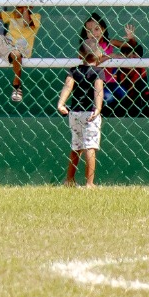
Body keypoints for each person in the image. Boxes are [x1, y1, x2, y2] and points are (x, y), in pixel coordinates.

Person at [56, 41, 105, 188]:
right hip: (90, 113)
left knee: (76, 146)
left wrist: (61, 103)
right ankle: (89, 183)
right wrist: (98, 108)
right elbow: (98, 90)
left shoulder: (73, 70)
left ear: (79, 55)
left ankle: (69, 180)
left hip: (75, 113)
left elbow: (67, 86)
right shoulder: (98, 71)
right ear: (99, 55)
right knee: (90, 147)